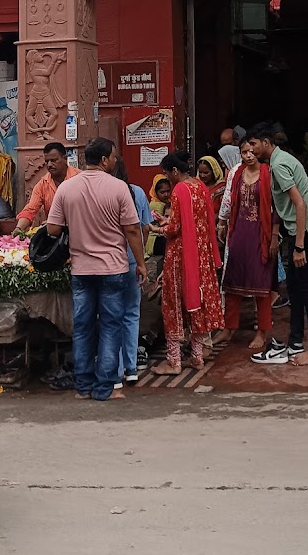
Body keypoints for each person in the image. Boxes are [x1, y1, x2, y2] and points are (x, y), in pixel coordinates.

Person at [46, 138, 147, 401]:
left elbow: (52, 229)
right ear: (104, 160)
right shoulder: (119, 188)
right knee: (111, 326)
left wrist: (77, 225)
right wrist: (142, 263)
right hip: (113, 268)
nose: (115, 161)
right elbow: (133, 230)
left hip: (81, 269)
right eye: (113, 157)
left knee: (82, 327)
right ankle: (106, 387)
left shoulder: (67, 188)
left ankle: (83, 387)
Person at [248, 123, 308, 366]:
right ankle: (294, 342)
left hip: (305, 232)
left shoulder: (279, 165)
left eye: (254, 144)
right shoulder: (278, 160)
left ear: (266, 143)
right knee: (294, 287)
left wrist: (299, 246)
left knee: (304, 289)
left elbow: (299, 204)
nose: (251, 149)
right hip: (299, 230)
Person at [150, 150, 224, 375]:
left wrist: (156, 228)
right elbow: (199, 220)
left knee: (173, 304)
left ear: (174, 171)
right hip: (201, 254)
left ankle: (173, 361)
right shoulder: (200, 187)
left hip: (180, 255)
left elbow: (175, 229)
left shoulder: (180, 189)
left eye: (166, 173)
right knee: (197, 302)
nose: (167, 178)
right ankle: (197, 356)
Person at [217, 138, 279, 351]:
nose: (249, 155)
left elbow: (277, 206)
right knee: (233, 280)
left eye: (252, 151)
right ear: (240, 154)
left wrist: (274, 235)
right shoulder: (236, 174)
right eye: (244, 152)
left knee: (261, 285)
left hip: (260, 234)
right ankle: (228, 327)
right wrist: (222, 221)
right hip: (239, 231)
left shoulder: (268, 173)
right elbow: (229, 199)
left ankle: (262, 331)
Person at [111, 159, 152, 387]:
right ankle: (131, 367)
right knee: (131, 314)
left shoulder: (103, 194)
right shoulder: (136, 192)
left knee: (110, 317)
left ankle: (115, 371)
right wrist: (140, 257)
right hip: (132, 261)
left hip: (108, 264)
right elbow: (143, 228)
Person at [14, 142, 79, 232]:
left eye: (53, 160)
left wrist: (54, 222)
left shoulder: (80, 178)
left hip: (79, 231)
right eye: (47, 161)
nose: (49, 165)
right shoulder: (42, 185)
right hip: (54, 234)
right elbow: (30, 210)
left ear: (65, 159)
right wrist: (19, 228)